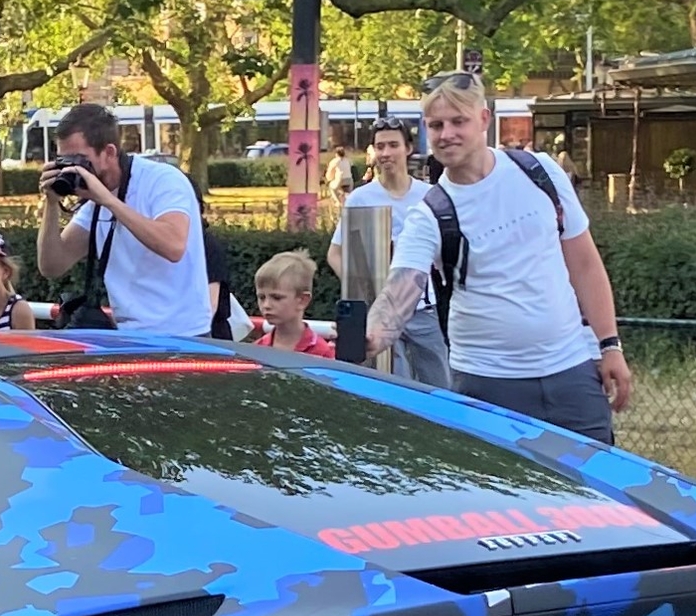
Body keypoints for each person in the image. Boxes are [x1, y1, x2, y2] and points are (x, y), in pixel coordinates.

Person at [366, 73, 633, 440]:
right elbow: (400, 293)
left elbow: (585, 264)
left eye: (458, 121)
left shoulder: (540, 172)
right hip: (486, 384)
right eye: (436, 125)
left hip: (572, 370)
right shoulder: (431, 213)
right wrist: (369, 334)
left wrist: (610, 345)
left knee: (597, 494)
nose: (446, 134)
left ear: (483, 120)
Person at [32, 100, 209, 335]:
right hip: (129, 334)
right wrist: (51, 204)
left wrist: (109, 201)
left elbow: (173, 246)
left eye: (79, 159)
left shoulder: (163, 180)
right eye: (64, 161)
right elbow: (52, 266)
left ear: (109, 152)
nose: (72, 169)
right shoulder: (95, 199)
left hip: (182, 334)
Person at [327, 116, 448, 385]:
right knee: (392, 386)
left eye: (393, 145)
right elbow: (334, 253)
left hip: (424, 309)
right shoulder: (361, 198)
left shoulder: (430, 195)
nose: (386, 153)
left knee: (441, 384)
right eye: (380, 146)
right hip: (380, 311)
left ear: (408, 148)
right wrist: (363, 285)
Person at [245, 250, 336, 358]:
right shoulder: (257, 350)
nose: (266, 305)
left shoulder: (321, 353)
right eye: (261, 297)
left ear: (302, 300)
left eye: (277, 298)